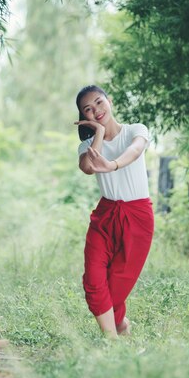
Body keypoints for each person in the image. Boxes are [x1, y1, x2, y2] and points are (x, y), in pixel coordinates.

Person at [74, 85, 154, 338]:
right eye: (88, 109)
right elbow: (88, 167)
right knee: (94, 281)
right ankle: (111, 339)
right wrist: (97, 132)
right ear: (83, 116)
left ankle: (121, 325)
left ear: (110, 101)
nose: (96, 110)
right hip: (106, 215)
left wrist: (113, 164)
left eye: (99, 103)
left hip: (138, 217)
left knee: (116, 285)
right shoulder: (87, 145)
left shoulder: (135, 130)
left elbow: (135, 150)